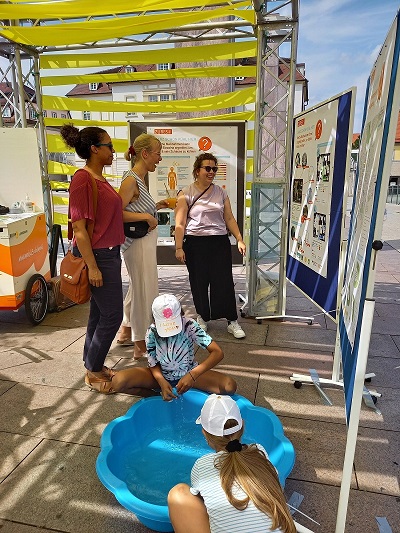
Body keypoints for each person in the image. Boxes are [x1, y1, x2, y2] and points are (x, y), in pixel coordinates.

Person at [168, 394, 296, 533]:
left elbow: (200, 503)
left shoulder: (201, 465)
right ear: (242, 426)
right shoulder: (259, 450)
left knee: (178, 493)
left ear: (205, 434)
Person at [60, 124, 124, 394]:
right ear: (95, 149)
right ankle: (94, 369)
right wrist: (94, 266)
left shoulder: (99, 178)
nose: (113, 151)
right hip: (98, 255)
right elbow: (79, 229)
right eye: (109, 146)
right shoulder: (83, 179)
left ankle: (92, 362)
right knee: (113, 315)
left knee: (99, 313)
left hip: (109, 253)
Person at [174, 153, 246, 338]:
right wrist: (179, 247)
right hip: (195, 243)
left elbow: (228, 217)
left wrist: (239, 238)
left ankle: (231, 320)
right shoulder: (186, 193)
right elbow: (180, 223)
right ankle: (202, 317)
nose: (212, 172)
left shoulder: (221, 192)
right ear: (197, 170)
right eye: (208, 168)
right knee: (199, 282)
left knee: (224, 281)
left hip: (219, 241)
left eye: (215, 169)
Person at [112, 294, 237, 400]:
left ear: (181, 314)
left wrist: (193, 375)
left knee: (229, 386)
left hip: (189, 373)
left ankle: (185, 389)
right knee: (119, 381)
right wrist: (161, 381)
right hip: (161, 375)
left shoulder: (189, 325)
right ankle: (154, 397)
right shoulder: (152, 331)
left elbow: (217, 352)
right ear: (155, 319)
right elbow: (152, 362)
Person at [116, 133, 168, 359]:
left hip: (141, 243)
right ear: (145, 154)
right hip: (137, 244)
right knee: (144, 291)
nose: (160, 158)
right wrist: (148, 218)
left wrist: (157, 206)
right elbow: (116, 213)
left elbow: (135, 208)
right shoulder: (131, 179)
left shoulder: (138, 178)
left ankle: (127, 331)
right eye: (158, 153)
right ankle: (140, 344)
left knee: (138, 288)